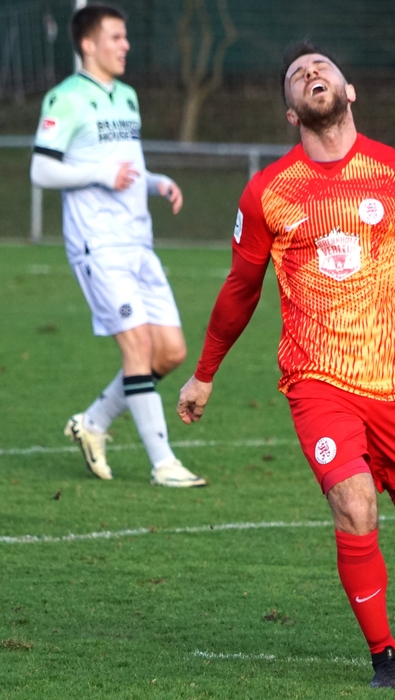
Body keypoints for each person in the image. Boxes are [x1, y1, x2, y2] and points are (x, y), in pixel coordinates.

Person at [175, 41, 395, 690]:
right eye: (297, 74)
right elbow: (240, 289)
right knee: (355, 506)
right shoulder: (268, 191)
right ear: (291, 112)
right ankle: (386, 657)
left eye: (322, 67)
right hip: (316, 382)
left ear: (349, 90)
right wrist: (204, 372)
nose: (311, 73)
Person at [30, 3, 205, 488]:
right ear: (88, 44)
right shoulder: (66, 98)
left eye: (126, 37)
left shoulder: (127, 97)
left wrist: (155, 181)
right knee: (138, 345)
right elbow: (41, 169)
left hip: (138, 240)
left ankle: (93, 423)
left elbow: (127, 167)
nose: (126, 45)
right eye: (116, 37)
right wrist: (100, 174)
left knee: (169, 352)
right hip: (97, 244)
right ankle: (163, 463)